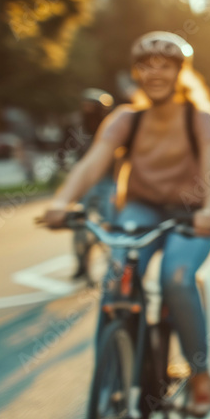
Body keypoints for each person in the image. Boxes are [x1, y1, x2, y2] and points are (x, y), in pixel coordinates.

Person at [40, 32, 210, 417]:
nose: (154, 72)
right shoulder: (126, 117)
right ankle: (111, 372)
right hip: (141, 208)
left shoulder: (200, 117)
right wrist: (62, 202)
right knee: (117, 276)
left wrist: (208, 209)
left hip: (190, 215)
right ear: (136, 72)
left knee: (175, 277)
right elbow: (94, 161)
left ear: (180, 72)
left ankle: (201, 372)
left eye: (165, 65)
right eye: (146, 65)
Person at [68, 88, 116, 279]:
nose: (88, 111)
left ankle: (114, 263)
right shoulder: (78, 128)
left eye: (92, 107)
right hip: (85, 184)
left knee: (110, 224)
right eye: (85, 106)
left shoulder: (114, 128)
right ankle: (81, 263)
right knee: (79, 224)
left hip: (108, 182)